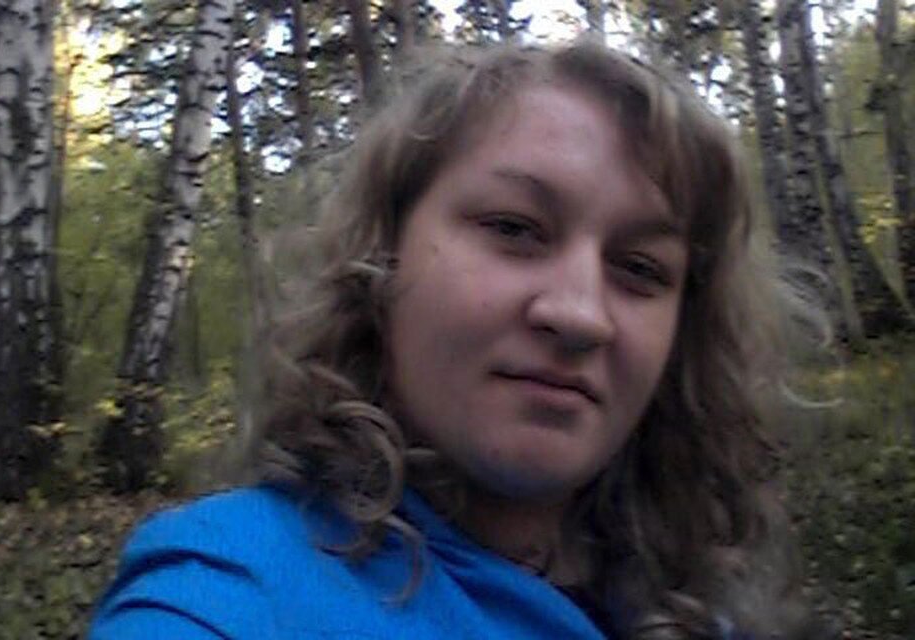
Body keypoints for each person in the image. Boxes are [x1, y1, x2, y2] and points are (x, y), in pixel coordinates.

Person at [90, 39, 818, 639]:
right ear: (382, 260)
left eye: (639, 268)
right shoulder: (232, 593)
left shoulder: (694, 601)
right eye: (513, 228)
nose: (580, 315)